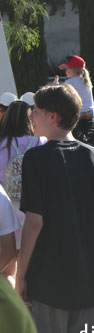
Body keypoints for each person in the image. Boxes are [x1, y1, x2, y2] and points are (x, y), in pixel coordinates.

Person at [17, 84, 94, 333]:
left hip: (49, 276)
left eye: (36, 111)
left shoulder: (36, 159)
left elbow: (34, 222)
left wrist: (21, 275)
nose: (31, 115)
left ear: (52, 115)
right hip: (91, 274)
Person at [0, 100, 45, 278]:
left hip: (6, 212)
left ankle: (14, 302)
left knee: (8, 270)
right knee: (31, 269)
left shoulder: (2, 144)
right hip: (32, 211)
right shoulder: (39, 142)